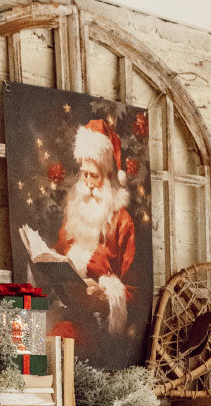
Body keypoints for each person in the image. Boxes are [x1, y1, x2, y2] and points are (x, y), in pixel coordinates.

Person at [54, 118, 136, 339]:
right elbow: (58, 254)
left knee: (63, 336)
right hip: (67, 310)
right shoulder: (73, 212)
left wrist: (107, 295)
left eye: (94, 176)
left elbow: (135, 290)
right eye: (85, 174)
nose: (88, 183)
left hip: (99, 325)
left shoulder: (122, 222)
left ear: (108, 177)